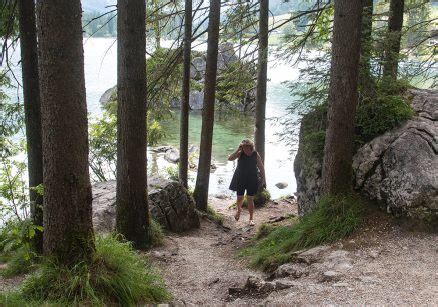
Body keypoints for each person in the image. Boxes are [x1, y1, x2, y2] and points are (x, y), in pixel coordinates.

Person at [228, 139, 266, 226]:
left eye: (246, 148)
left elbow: (261, 167)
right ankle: (239, 210)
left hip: (252, 178)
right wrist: (238, 150)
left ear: (251, 147)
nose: (245, 150)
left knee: (250, 198)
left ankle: (251, 218)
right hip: (240, 178)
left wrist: (263, 179)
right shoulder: (240, 153)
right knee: (239, 198)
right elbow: (230, 159)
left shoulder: (255, 154)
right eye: (243, 147)